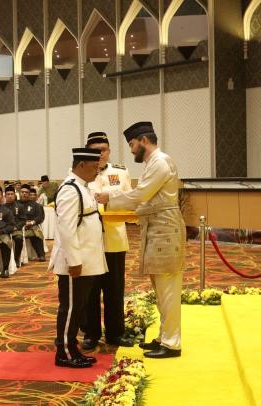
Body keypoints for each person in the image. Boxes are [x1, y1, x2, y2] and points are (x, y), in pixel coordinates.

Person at [96, 122, 186, 359]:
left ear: (144, 141)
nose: (131, 149)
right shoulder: (153, 163)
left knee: (168, 288)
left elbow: (140, 194)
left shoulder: (160, 162)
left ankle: (172, 343)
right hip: (157, 228)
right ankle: (164, 337)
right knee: (160, 289)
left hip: (165, 228)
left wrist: (109, 198)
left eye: (132, 144)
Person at [50, 147, 106, 369]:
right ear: (81, 165)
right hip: (76, 264)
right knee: (71, 308)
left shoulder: (83, 187)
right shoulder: (70, 190)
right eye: (94, 167)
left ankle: (72, 348)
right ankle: (64, 352)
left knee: (78, 308)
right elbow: (66, 229)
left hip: (85, 262)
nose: (97, 171)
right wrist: (73, 262)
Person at [81, 132, 134, 350]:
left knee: (114, 290)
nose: (100, 154)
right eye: (95, 150)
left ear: (109, 151)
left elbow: (130, 200)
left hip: (114, 239)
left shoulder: (121, 172)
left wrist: (110, 199)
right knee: (90, 291)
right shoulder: (81, 174)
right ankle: (91, 333)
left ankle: (115, 333)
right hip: (90, 242)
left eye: (103, 149)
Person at [19, 184, 46, 261]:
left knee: (36, 233)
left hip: (31, 226)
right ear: (20, 193)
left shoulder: (35, 205)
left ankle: (41, 255)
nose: (24, 194)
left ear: (29, 194)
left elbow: (39, 217)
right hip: (19, 227)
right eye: (22, 192)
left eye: (26, 192)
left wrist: (32, 223)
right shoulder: (15, 204)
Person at [5, 185, 26, 267]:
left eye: (11, 194)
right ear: (5, 196)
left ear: (15, 195)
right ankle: (7, 262)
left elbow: (23, 220)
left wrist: (16, 227)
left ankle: (16, 258)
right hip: (5, 230)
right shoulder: (2, 207)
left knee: (19, 239)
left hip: (16, 229)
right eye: (8, 194)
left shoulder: (20, 206)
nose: (10, 196)